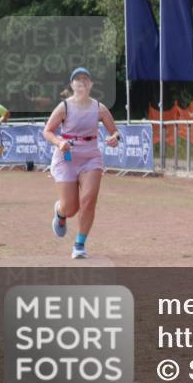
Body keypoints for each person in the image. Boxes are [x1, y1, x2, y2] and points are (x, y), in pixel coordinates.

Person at [42, 68, 121, 259]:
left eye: (85, 80)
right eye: (77, 80)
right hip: (67, 157)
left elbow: (115, 132)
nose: (82, 83)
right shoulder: (64, 107)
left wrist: (114, 138)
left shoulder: (99, 108)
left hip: (90, 157)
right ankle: (60, 212)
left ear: (91, 85)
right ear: (72, 85)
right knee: (71, 208)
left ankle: (79, 244)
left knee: (89, 200)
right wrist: (60, 142)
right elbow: (48, 131)